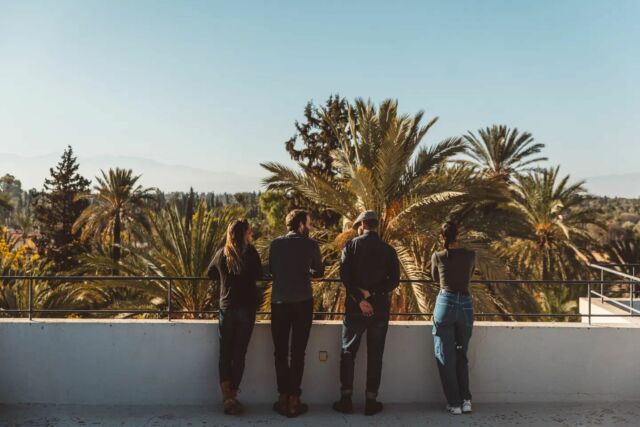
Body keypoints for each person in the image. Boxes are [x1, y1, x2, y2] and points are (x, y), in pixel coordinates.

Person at [333, 210, 400, 416]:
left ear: (362, 225)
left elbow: (344, 276)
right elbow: (394, 281)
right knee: (375, 355)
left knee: (348, 353)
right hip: (379, 310)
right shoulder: (388, 250)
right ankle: (371, 401)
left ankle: (346, 400)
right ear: (376, 225)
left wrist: (359, 299)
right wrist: (373, 293)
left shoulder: (350, 246)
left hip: (354, 310)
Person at [268, 209, 324, 417]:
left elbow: (272, 270)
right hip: (302, 303)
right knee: (298, 352)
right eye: (308, 223)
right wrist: (306, 271)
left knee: (280, 352)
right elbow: (319, 271)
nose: (309, 226)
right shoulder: (310, 244)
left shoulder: (275, 244)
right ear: (301, 224)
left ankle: (282, 397)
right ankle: (294, 400)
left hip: (279, 302)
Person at [207, 219, 262, 415]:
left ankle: (227, 398)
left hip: (227, 308)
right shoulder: (251, 252)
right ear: (245, 234)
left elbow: (210, 273)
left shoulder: (222, 253)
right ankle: (233, 395)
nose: (251, 234)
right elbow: (260, 274)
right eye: (249, 231)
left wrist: (224, 279)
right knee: (239, 353)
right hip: (246, 309)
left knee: (225, 353)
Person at [431, 221, 476, 415]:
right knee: (461, 354)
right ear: (458, 235)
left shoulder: (438, 256)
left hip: (445, 304)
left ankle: (454, 403)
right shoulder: (471, 255)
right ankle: (466, 401)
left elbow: (435, 278)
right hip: (465, 305)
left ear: (442, 237)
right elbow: (469, 276)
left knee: (444, 356)